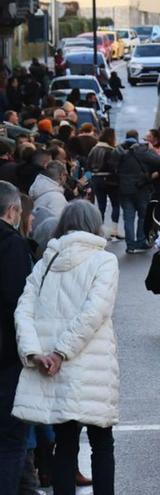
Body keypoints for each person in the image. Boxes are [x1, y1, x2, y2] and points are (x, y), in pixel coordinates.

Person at [13, 200, 119, 495]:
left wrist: (37, 353)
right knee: (101, 444)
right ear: (94, 224)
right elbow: (95, 312)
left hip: (52, 367)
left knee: (66, 444)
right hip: (91, 366)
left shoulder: (47, 260)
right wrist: (63, 352)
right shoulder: (104, 261)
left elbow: (24, 309)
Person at [0, 181, 32, 492]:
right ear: (12, 211)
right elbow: (18, 299)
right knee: (10, 439)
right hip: (7, 352)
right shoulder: (11, 243)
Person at [111, 130, 160, 253]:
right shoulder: (142, 150)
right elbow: (158, 161)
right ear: (137, 138)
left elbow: (112, 166)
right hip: (141, 189)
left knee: (128, 217)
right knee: (143, 216)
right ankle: (140, 241)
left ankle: (130, 245)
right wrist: (152, 149)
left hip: (124, 189)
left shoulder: (117, 151)